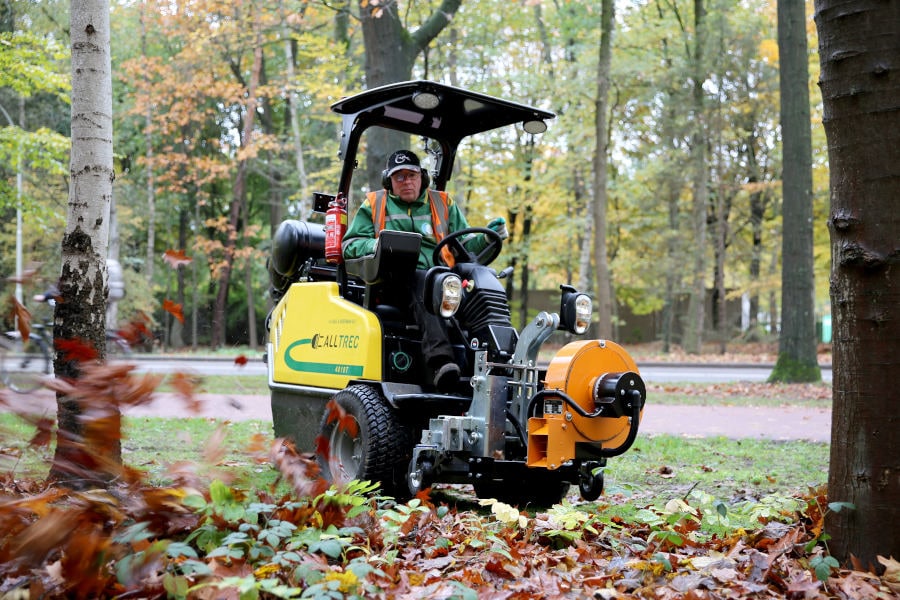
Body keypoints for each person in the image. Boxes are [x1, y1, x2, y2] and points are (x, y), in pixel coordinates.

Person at [342, 149, 509, 392]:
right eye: (399, 177)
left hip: (443, 282)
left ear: (422, 177)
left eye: (411, 175)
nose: (406, 181)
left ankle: (498, 362)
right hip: (393, 283)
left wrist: (487, 240)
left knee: (480, 283)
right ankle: (441, 363)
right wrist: (376, 243)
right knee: (426, 281)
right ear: (389, 181)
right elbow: (350, 245)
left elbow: (464, 249)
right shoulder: (375, 204)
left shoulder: (442, 203)